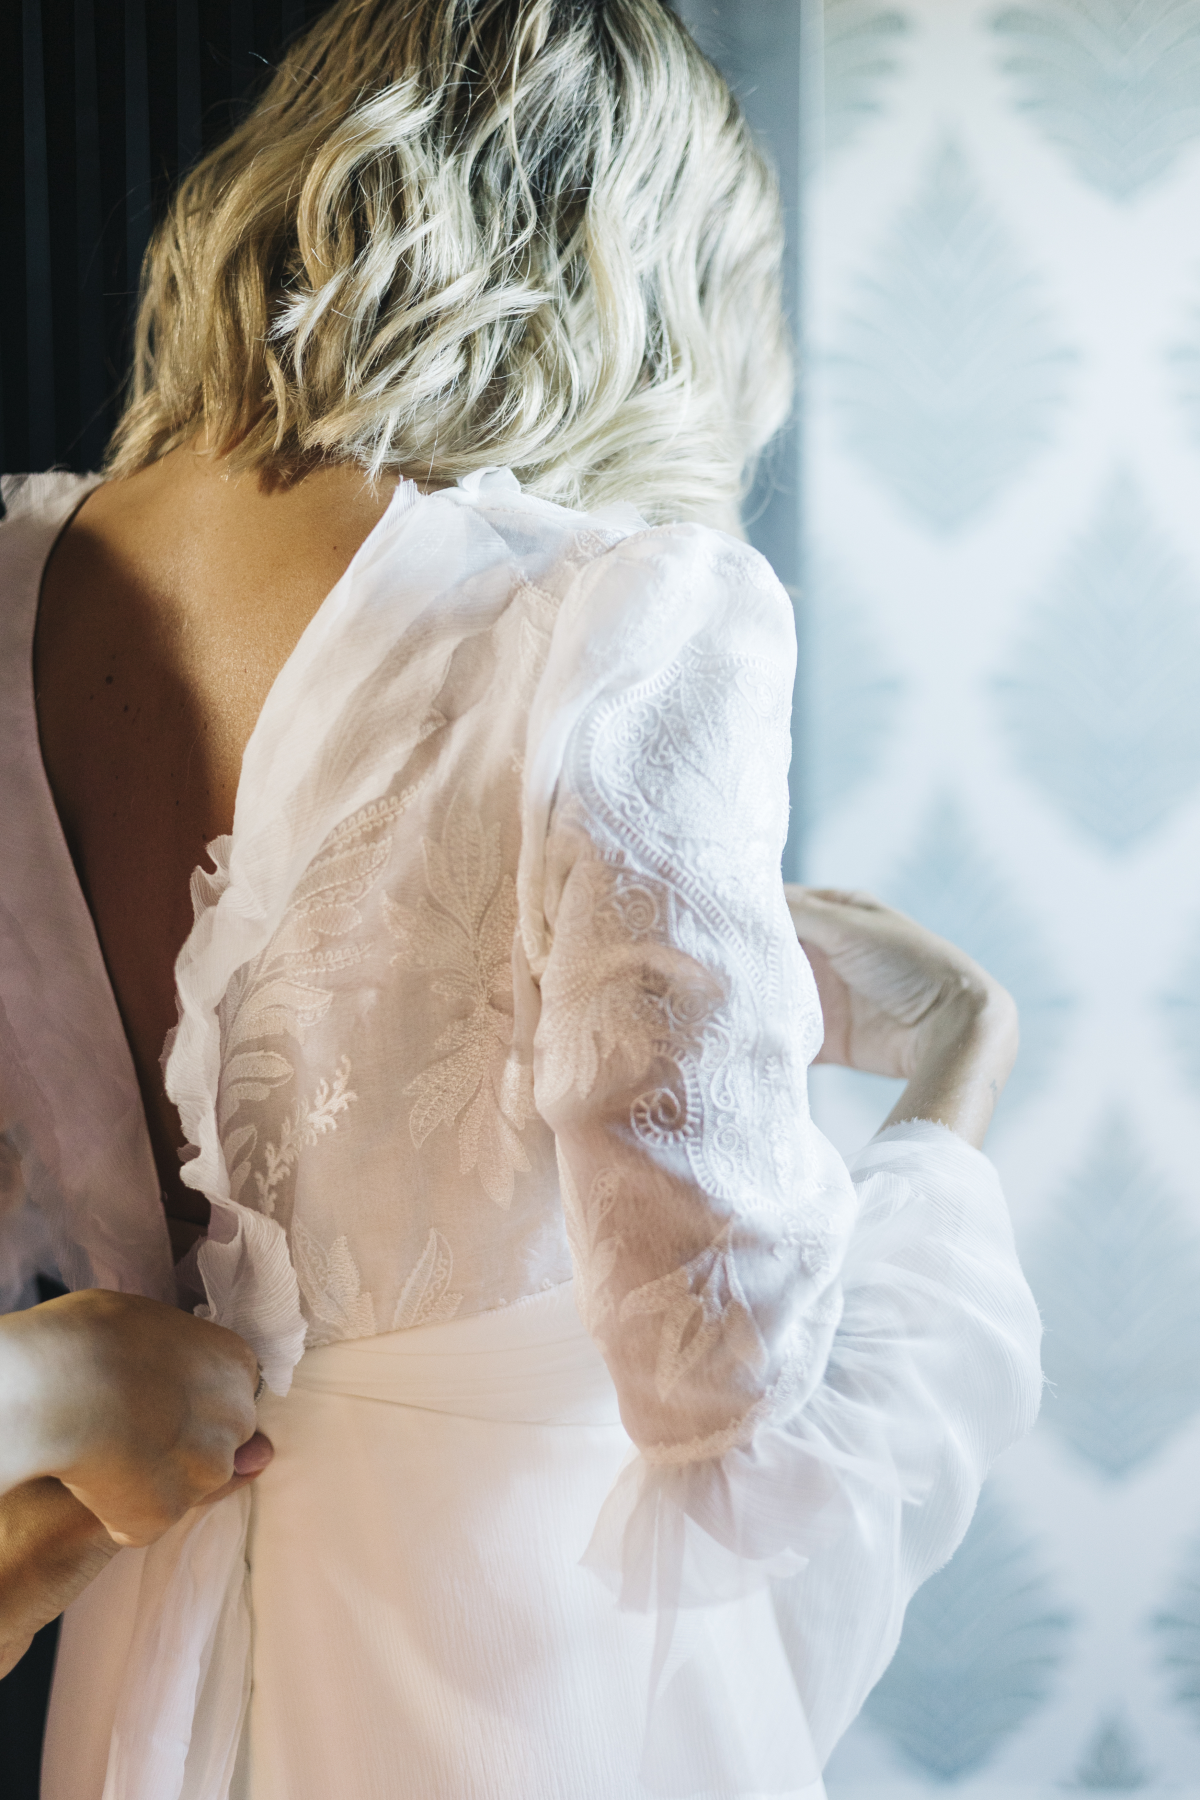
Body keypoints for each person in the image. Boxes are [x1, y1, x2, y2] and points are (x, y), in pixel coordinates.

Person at [0, 2, 1042, 1796]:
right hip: (512, 1672)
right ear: (645, 280)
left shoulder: (24, 584)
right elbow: (730, 1391)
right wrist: (956, 1076)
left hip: (141, 1630)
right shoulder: (629, 614)